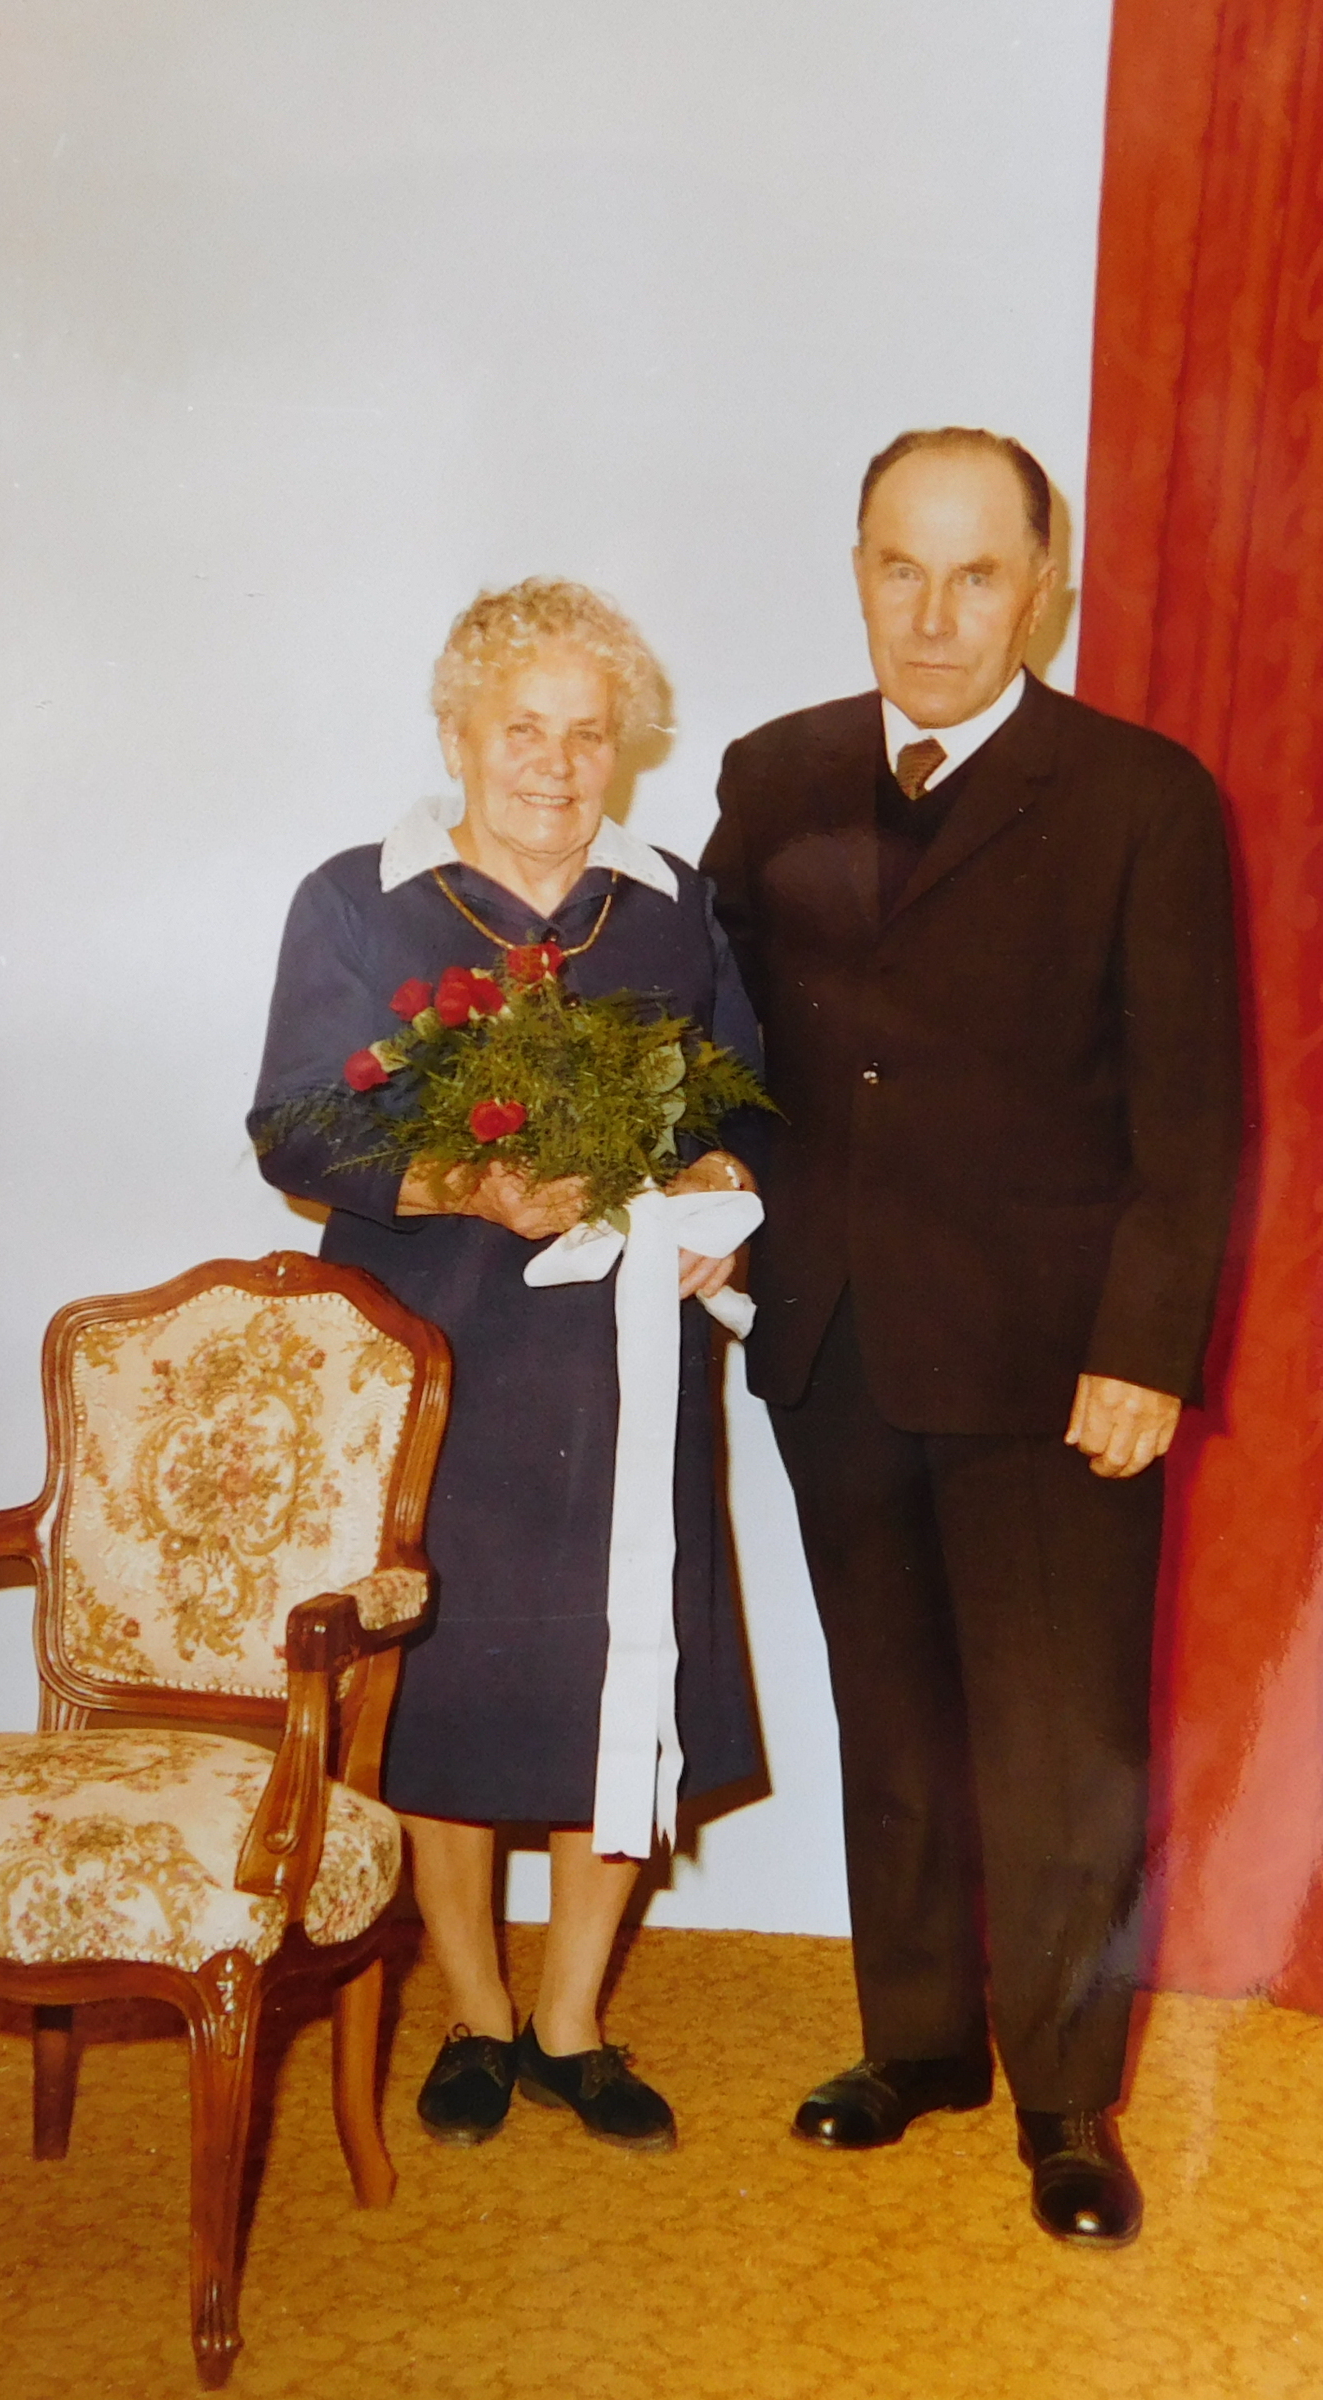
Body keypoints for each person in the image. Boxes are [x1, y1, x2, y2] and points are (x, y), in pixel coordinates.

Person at [702, 429, 1241, 2245]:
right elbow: (716, 1041)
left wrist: (1144, 1350)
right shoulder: (774, 772)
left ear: (1042, 587)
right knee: (895, 1719)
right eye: (898, 569)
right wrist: (698, 1202)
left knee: (1059, 1745)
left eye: (975, 574)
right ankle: (917, 2042)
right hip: (835, 1337)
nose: (931, 615)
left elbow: (1192, 1112)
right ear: (857, 570)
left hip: (1054, 1365)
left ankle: (1067, 2104)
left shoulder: (1140, 797)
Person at [252, 578, 762, 2153]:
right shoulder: (360, 900)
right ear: (457, 734)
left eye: (586, 734)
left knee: (623, 1668)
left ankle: (572, 2021)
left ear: (625, 749)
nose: (553, 762)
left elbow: (746, 1106)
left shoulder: (670, 905)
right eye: (521, 729)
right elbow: (293, 1129)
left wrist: (725, 1197)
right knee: (447, 1685)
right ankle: (475, 2013)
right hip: (439, 1356)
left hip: (623, 1363)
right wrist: (465, 1182)